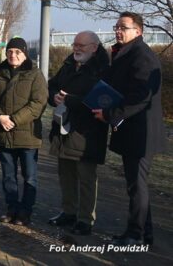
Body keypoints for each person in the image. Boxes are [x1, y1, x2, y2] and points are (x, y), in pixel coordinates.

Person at [94, 12, 165, 246]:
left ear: (138, 31)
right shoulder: (125, 54)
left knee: (136, 185)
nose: (118, 31)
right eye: (116, 27)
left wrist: (110, 114)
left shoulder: (142, 56)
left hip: (141, 133)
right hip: (132, 130)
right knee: (136, 184)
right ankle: (145, 233)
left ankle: (135, 235)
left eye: (123, 27)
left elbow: (140, 97)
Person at [47, 31, 109, 236]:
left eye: (81, 45)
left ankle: (85, 219)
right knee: (66, 175)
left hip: (87, 133)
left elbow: (100, 100)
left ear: (94, 47)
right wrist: (53, 97)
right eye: (75, 44)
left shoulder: (102, 69)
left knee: (86, 178)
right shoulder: (68, 64)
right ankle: (69, 212)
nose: (76, 48)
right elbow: (52, 85)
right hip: (63, 129)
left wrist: (69, 100)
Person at [0, 37, 47, 226]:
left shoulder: (35, 74)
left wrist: (14, 120)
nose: (13, 55)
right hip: (4, 133)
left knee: (30, 176)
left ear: (25, 54)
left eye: (18, 52)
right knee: (8, 176)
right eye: (10, 51)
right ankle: (11, 208)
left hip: (27, 135)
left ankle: (25, 211)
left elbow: (38, 103)